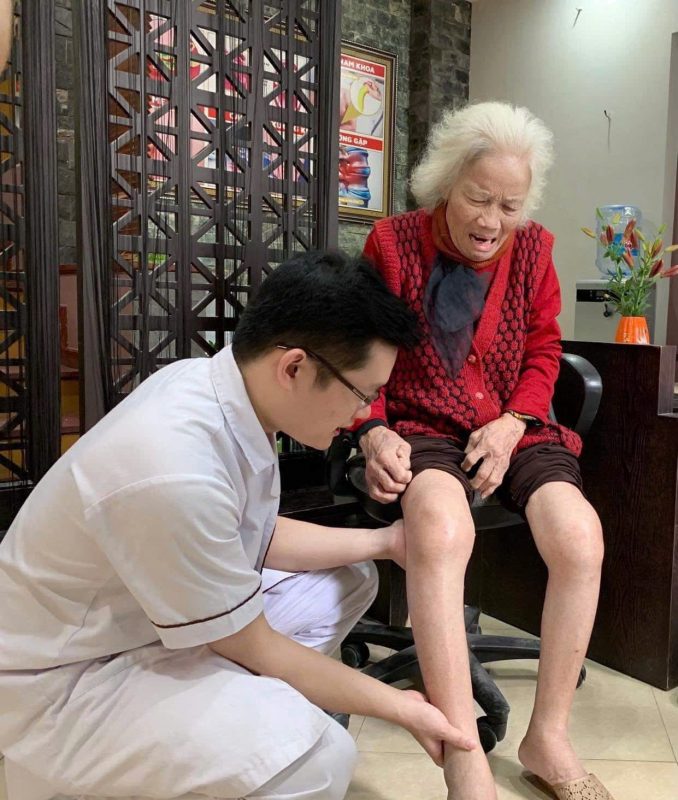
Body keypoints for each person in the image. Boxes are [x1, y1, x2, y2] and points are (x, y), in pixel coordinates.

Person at [0, 251, 476, 800]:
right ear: (294, 368)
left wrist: (387, 541)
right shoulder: (174, 466)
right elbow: (256, 645)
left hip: (146, 624)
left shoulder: (222, 390)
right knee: (320, 760)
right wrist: (405, 708)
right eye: (362, 394)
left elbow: (252, 533)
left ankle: (226, 732)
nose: (361, 414)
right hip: (65, 678)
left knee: (349, 579)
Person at [353, 102, 611, 800]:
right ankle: (463, 754)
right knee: (442, 528)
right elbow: (358, 349)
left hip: (512, 425)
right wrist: (372, 428)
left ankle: (547, 736)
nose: (493, 220)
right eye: (478, 198)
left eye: (509, 205)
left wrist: (515, 421)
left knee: (580, 537)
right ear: (447, 184)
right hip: (421, 426)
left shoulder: (533, 250)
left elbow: (544, 348)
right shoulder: (392, 245)